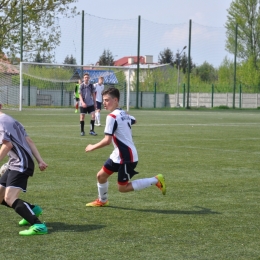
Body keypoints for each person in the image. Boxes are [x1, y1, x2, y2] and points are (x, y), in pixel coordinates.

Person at [85, 87, 166, 207]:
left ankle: (156, 180)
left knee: (122, 188)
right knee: (101, 176)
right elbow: (134, 120)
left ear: (116, 100)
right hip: (118, 154)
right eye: (104, 100)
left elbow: (107, 141)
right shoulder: (122, 113)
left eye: (107, 100)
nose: (104, 103)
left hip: (127, 157)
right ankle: (103, 201)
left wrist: (92, 147)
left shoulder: (111, 117)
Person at [0, 103, 48, 235]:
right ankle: (32, 209)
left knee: (9, 198)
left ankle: (38, 225)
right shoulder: (12, 120)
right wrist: (40, 160)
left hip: (20, 163)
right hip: (16, 163)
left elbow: (7, 145)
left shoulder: (0, 122)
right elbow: (29, 141)